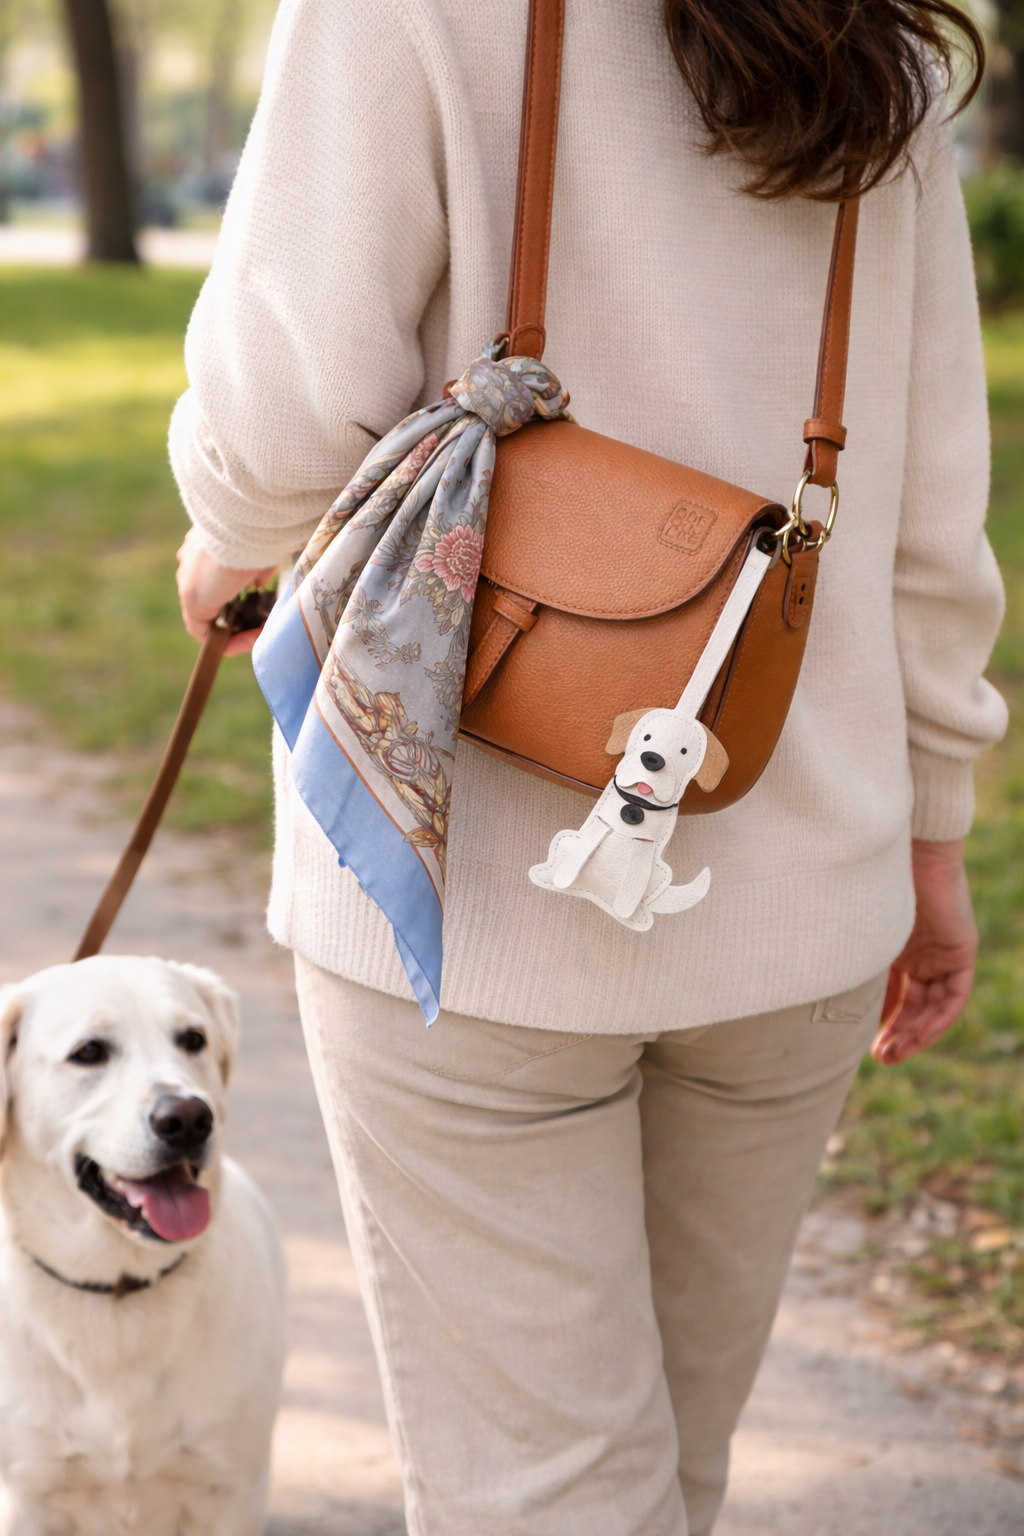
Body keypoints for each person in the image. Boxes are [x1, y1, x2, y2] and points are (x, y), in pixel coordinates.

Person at [172, 1, 1007, 1530]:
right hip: (800, 897)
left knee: (547, 1492)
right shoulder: (873, 38)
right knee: (669, 1475)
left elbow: (279, 421)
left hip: (469, 905)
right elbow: (937, 509)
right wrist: (933, 833)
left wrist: (225, 540)